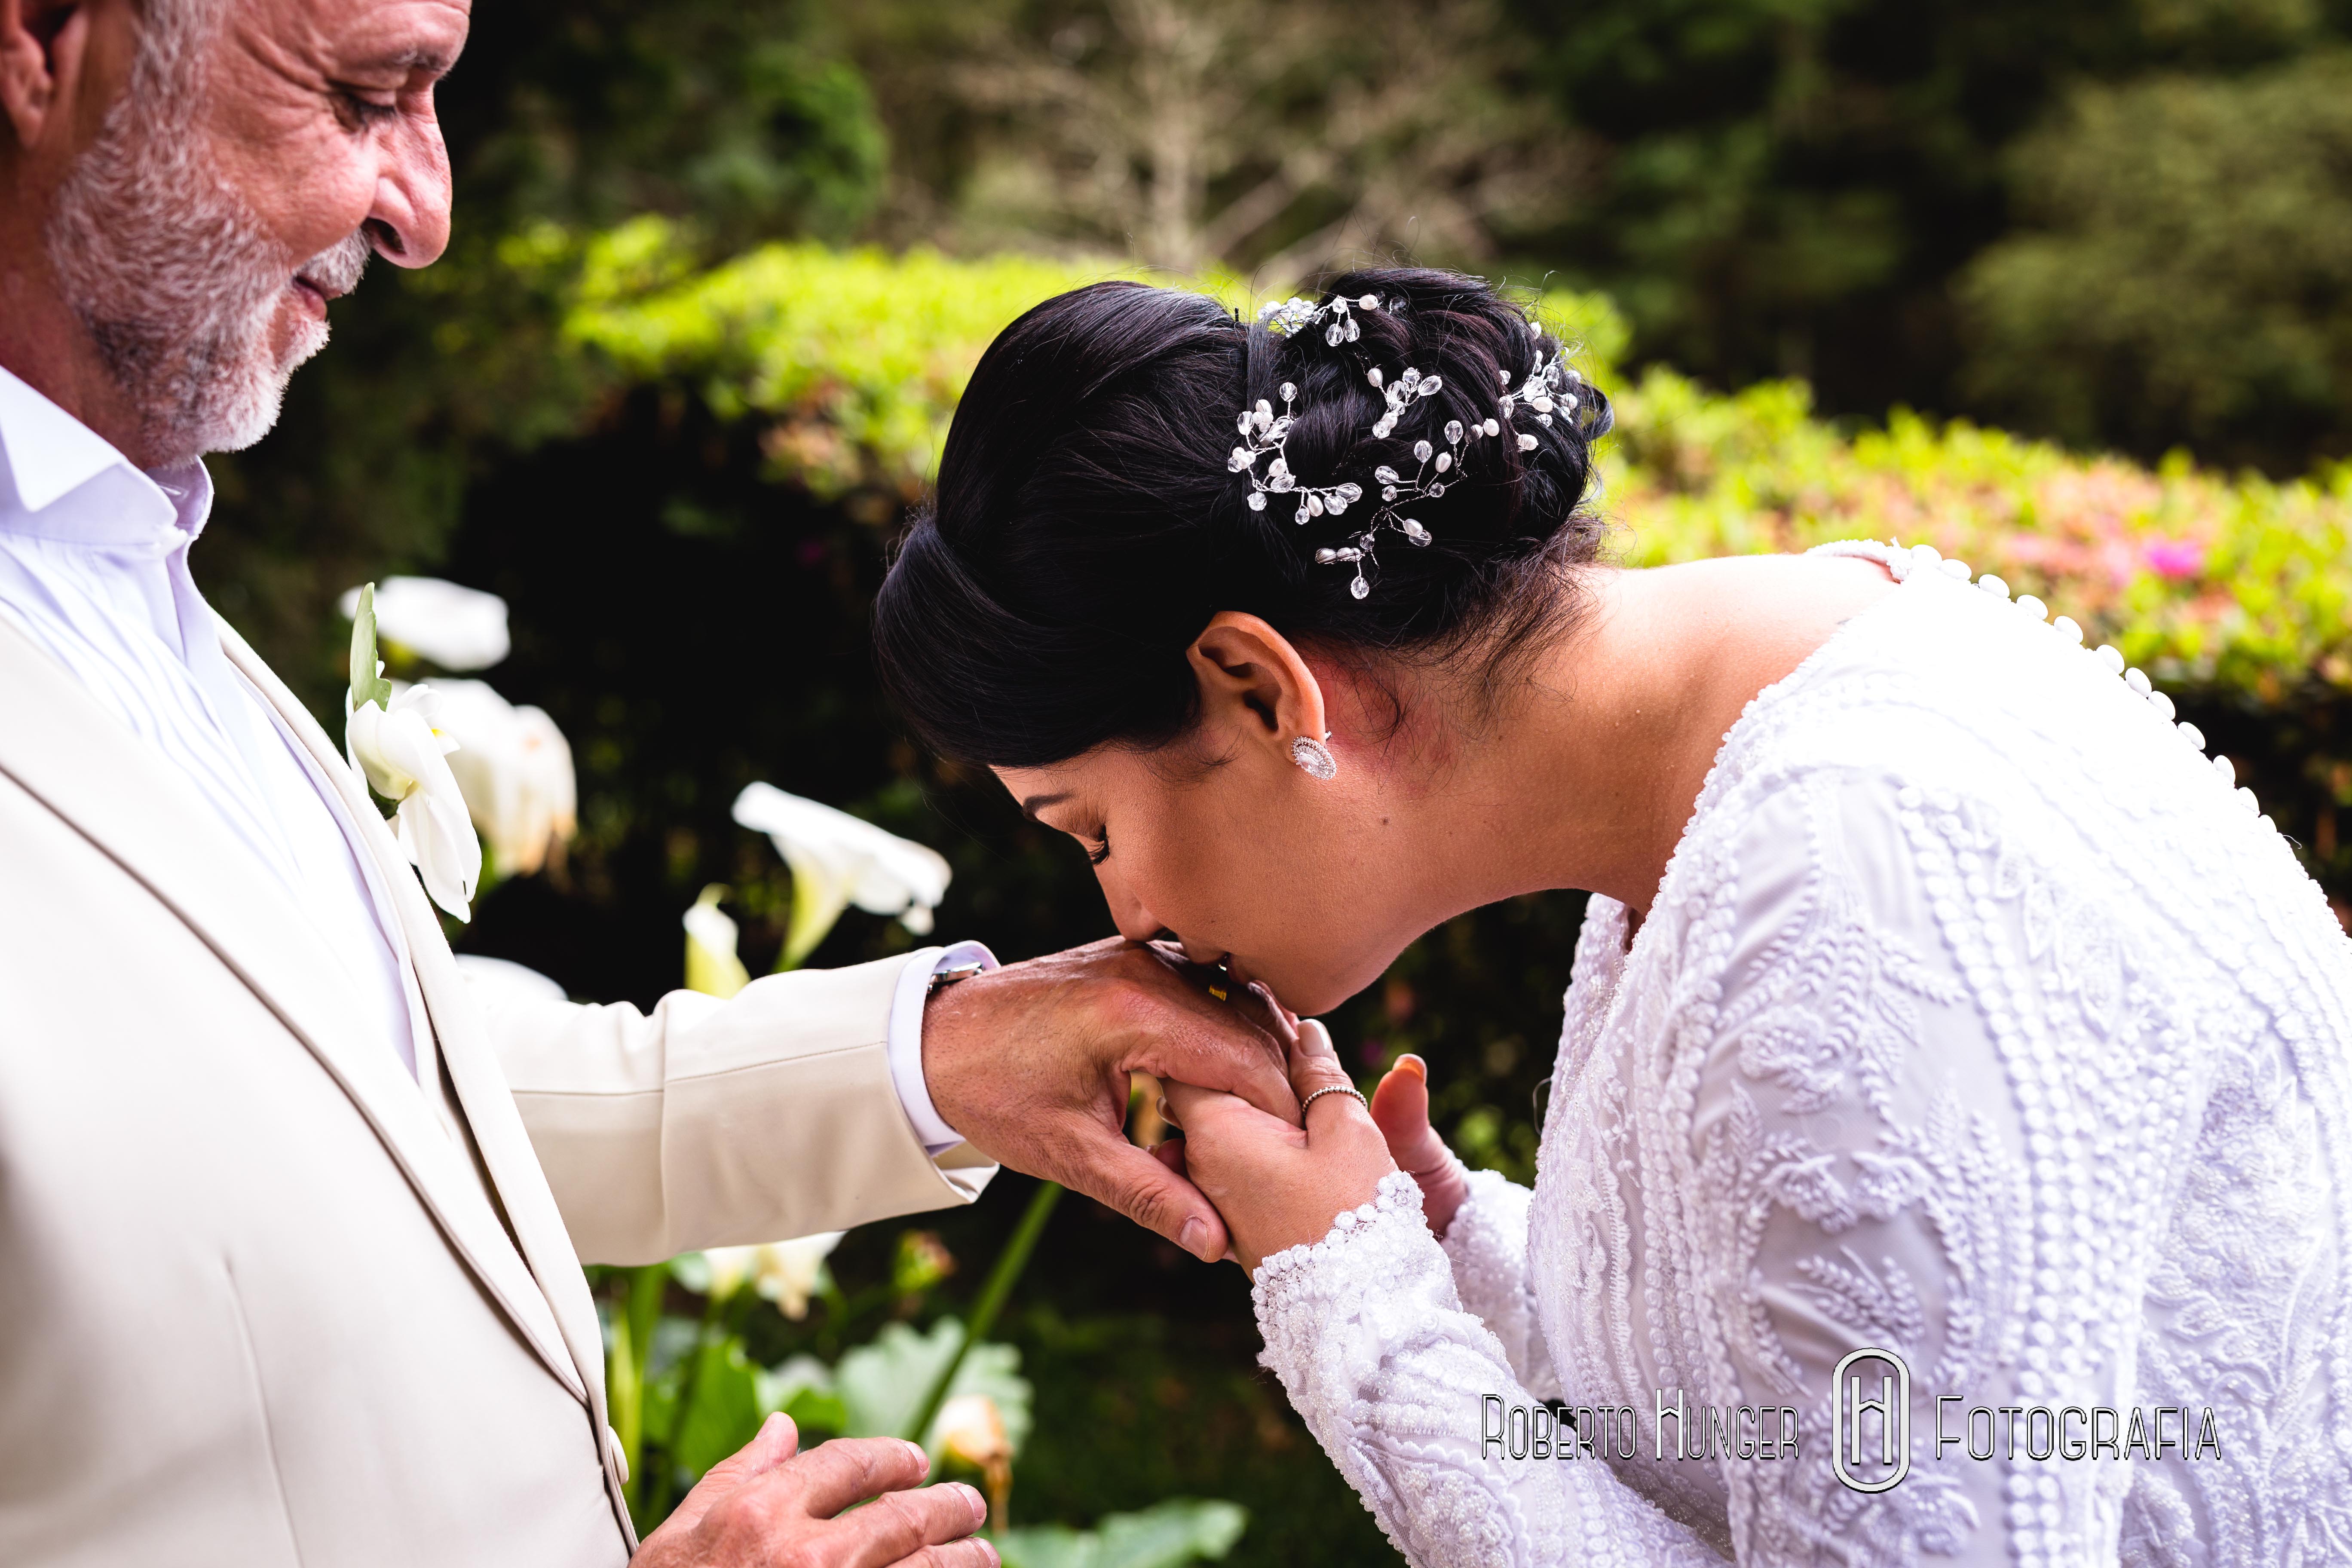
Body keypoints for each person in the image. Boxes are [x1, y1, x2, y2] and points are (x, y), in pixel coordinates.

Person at [0, 3, 1298, 1564]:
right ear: (39, 44)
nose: (426, 212)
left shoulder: (114, 571)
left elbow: (355, 1111)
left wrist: (938, 1060)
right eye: (357, 96)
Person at [871, 267, 2352, 1565]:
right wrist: (1441, 1238)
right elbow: (1792, 1401)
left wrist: (1359, 1305)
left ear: (1262, 690)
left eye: (1095, 831)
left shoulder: (1863, 879)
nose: (1123, 917)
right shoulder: (1738, 736)